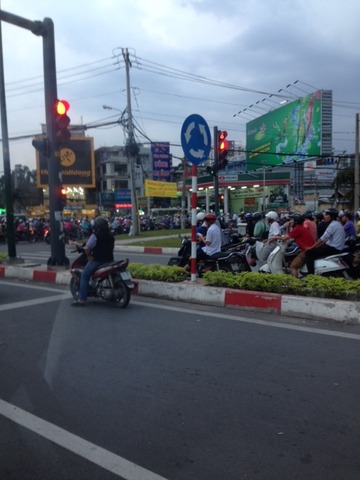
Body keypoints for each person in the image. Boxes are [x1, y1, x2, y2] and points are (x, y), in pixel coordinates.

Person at [71, 216, 115, 306]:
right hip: (109, 259)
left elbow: (87, 248)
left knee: (84, 276)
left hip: (97, 261)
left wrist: (89, 256)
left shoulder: (95, 236)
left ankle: (82, 300)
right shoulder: (111, 235)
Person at [304, 208, 345, 275]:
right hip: (335, 248)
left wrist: (311, 247)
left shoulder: (332, 225)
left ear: (331, 216)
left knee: (309, 253)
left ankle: (310, 275)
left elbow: (322, 238)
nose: (324, 217)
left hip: (333, 249)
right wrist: (315, 247)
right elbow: (325, 239)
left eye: (326, 215)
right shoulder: (337, 224)